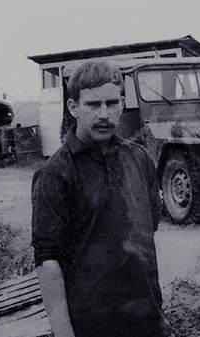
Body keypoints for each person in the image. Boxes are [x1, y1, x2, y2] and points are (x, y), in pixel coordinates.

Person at [31, 61, 173, 337]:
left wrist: (157, 313)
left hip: (146, 319)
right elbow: (47, 261)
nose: (104, 114)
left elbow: (148, 229)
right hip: (93, 325)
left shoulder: (139, 158)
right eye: (93, 105)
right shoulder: (56, 173)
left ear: (122, 103)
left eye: (112, 103)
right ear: (74, 108)